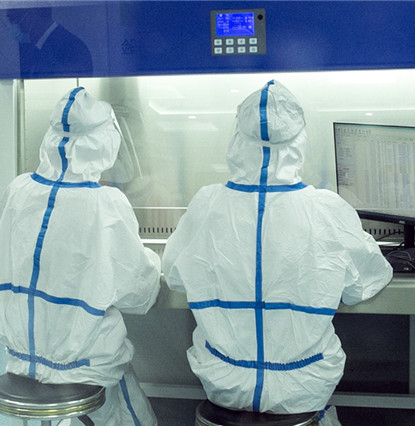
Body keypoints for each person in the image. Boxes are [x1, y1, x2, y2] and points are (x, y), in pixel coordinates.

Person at [162, 80, 393, 425]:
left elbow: (175, 277)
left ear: (237, 141)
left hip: (223, 382)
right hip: (303, 385)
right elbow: (364, 284)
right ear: (300, 143)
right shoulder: (325, 209)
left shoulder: (207, 204)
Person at [0, 87, 160, 425]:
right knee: (130, 409)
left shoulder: (19, 191)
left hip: (20, 359)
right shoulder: (104, 204)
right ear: (105, 143)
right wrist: (152, 262)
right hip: (84, 365)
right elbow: (138, 296)